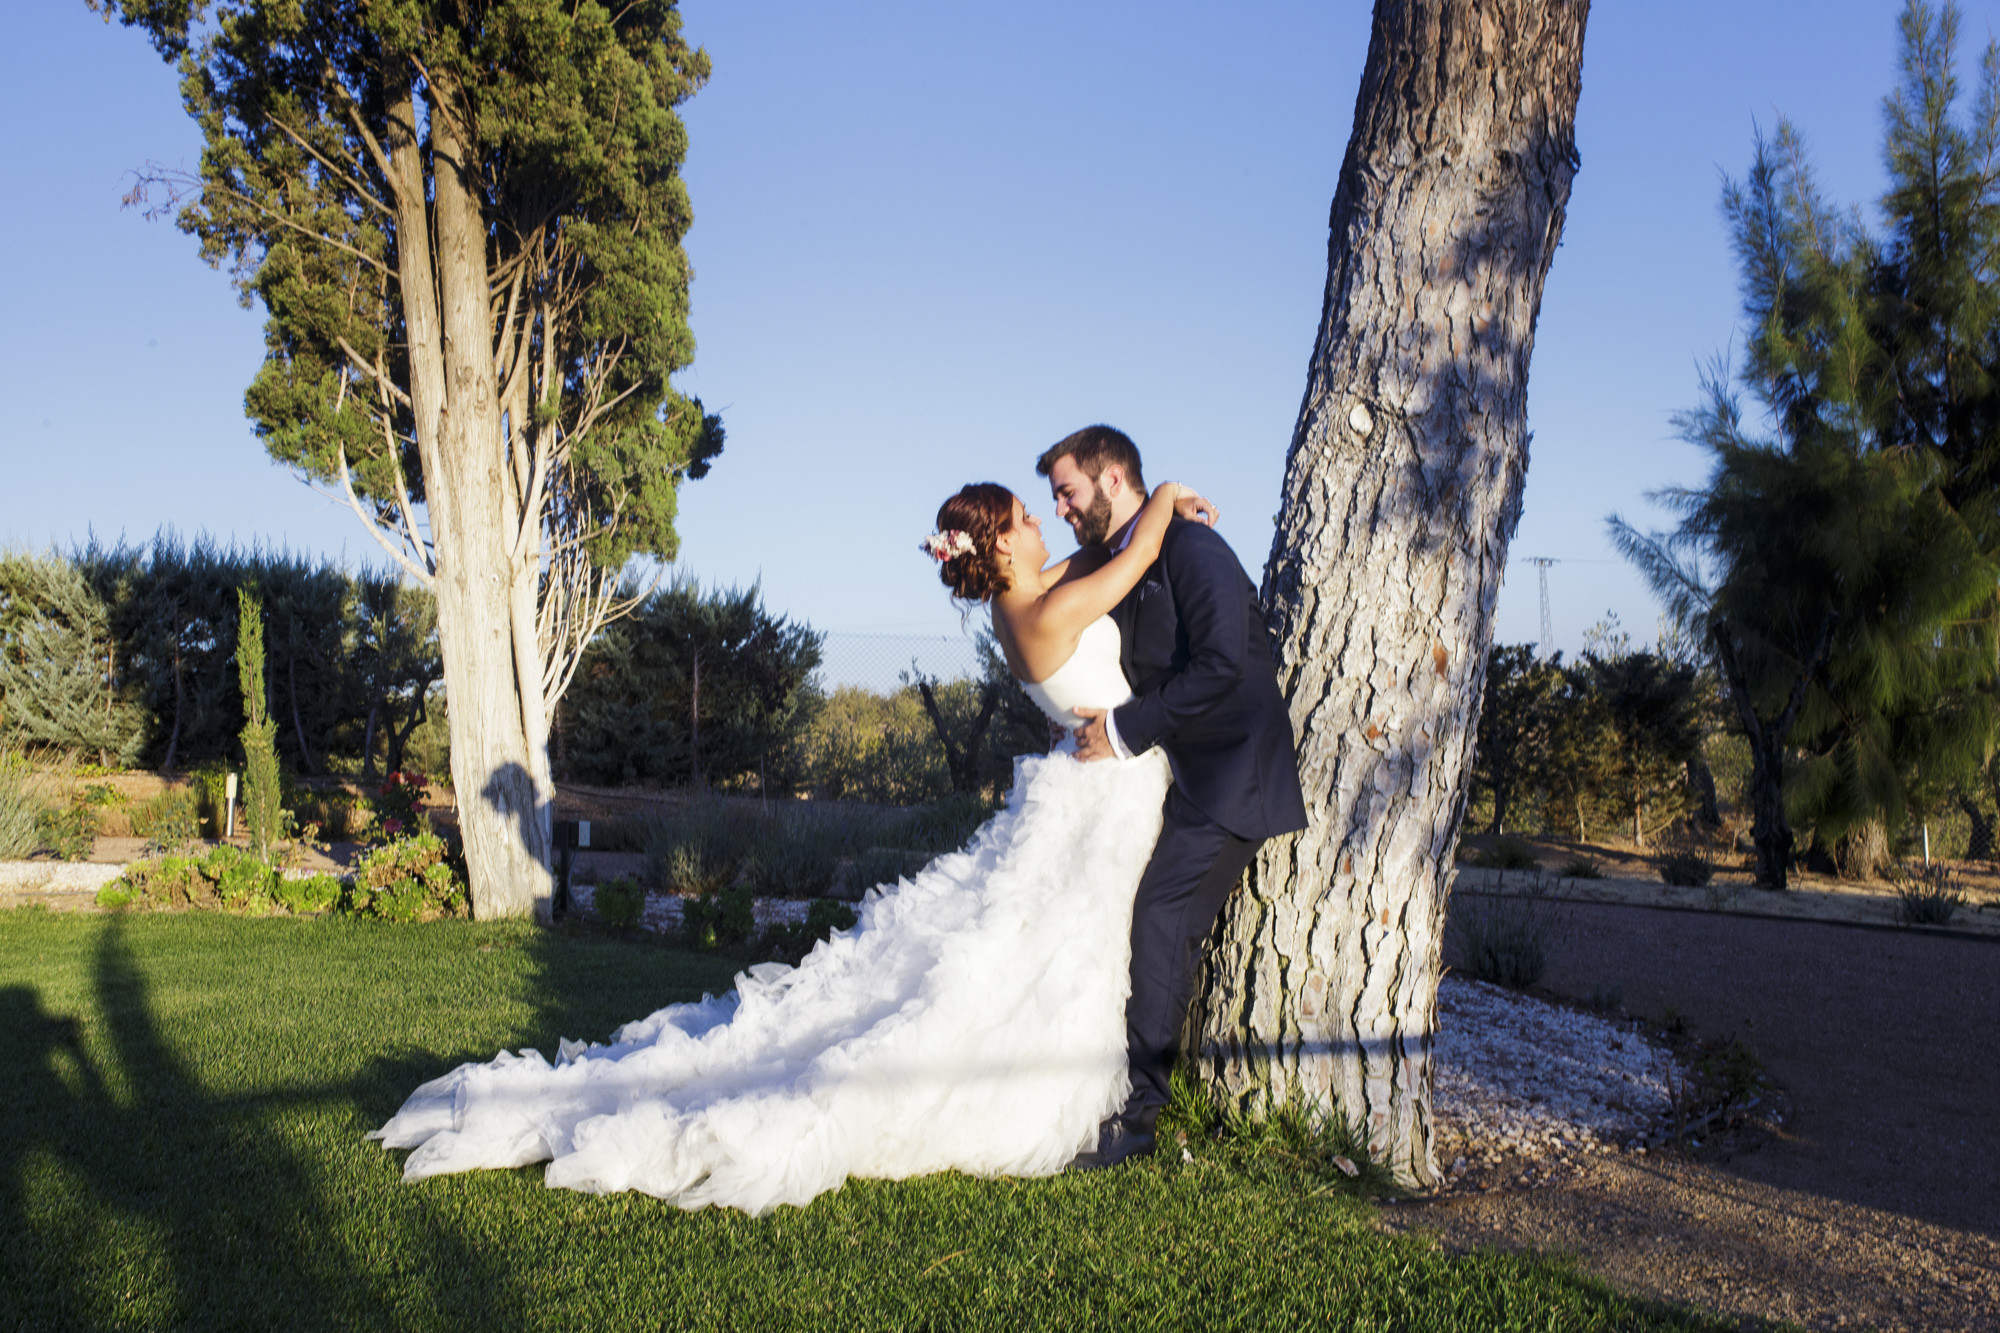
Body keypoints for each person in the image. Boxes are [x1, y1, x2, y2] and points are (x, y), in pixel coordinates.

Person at [369, 472, 1220, 1216]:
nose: (1043, 522)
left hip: (1095, 794)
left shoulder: (1030, 598)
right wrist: (1167, 496)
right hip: (1098, 797)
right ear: (998, 542)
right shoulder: (1040, 608)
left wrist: (1132, 522)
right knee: (1048, 948)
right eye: (1026, 515)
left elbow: (1094, 563)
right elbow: (1134, 560)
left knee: (1051, 945)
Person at [1037, 425, 1308, 1171]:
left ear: (1112, 480)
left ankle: (1143, 1114)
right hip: (1176, 774)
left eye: (1067, 490)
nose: (1059, 506)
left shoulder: (1194, 549)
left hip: (1231, 776)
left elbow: (1224, 663)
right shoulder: (1131, 554)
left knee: (1160, 917)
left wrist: (1121, 730)